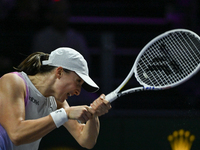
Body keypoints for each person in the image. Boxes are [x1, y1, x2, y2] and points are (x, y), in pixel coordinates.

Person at [0, 47, 111, 150]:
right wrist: (64, 114)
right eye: (78, 82)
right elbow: (16, 134)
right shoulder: (14, 82)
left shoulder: (57, 102)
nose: (78, 92)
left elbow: (86, 141)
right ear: (59, 72)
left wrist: (94, 114)